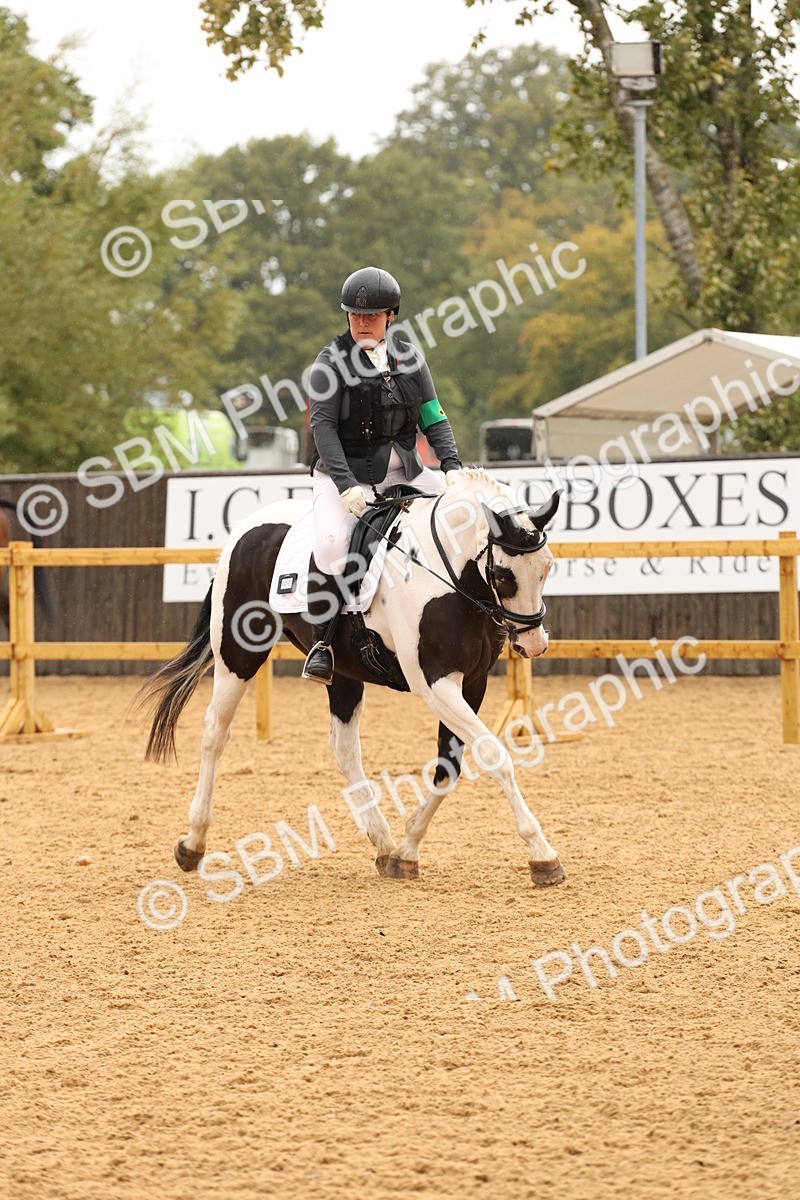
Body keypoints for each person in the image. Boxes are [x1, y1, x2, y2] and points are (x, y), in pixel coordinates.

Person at [302, 265, 463, 684]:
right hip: (343, 476)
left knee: (462, 516)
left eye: (371, 315)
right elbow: (323, 430)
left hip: (406, 472)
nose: (361, 323)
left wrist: (452, 468)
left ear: (390, 316)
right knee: (333, 547)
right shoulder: (329, 363)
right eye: (354, 315)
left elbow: (434, 417)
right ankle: (323, 643)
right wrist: (345, 486)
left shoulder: (410, 358)